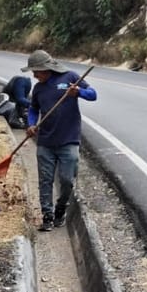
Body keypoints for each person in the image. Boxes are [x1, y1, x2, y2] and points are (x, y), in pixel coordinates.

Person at [25, 49, 97, 232]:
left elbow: (93, 94)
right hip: (45, 142)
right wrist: (31, 124)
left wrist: (78, 92)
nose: (34, 75)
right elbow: (33, 109)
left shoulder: (70, 77)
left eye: (36, 71)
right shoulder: (38, 88)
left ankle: (60, 209)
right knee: (45, 181)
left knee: (67, 180)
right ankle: (47, 216)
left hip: (68, 140)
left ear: (46, 68)